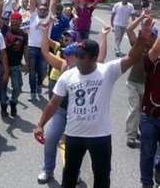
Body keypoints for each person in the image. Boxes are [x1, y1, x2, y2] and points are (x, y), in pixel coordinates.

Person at [34, 18, 151, 188]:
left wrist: (141, 40)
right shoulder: (68, 75)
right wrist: (40, 124)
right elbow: (53, 103)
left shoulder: (107, 71)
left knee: (102, 177)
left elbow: (132, 57)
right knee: (69, 175)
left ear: (94, 58)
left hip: (100, 136)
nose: (77, 59)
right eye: (76, 55)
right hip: (74, 135)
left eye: (82, 56)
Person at [37, 20, 111, 184]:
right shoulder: (63, 64)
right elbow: (45, 52)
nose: (66, 56)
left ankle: (74, 172)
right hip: (62, 111)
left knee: (76, 149)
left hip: (78, 114)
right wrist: (44, 31)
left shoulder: (91, 67)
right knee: (51, 138)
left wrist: (104, 36)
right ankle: (47, 170)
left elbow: (101, 57)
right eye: (68, 54)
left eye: (69, 54)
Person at [124, 11, 153, 149]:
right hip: (133, 82)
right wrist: (141, 17)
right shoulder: (137, 44)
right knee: (134, 107)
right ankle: (131, 135)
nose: (149, 37)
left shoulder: (155, 50)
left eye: (152, 35)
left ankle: (142, 132)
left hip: (148, 85)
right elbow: (129, 29)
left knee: (144, 111)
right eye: (147, 34)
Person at [139, 21, 160, 188]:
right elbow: (154, 50)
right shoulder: (152, 63)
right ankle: (146, 183)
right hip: (150, 117)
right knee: (147, 154)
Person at [0, 11, 28, 117]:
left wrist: (27, 64)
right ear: (11, 21)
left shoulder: (24, 34)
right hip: (3, 64)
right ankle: (3, 105)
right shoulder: (5, 29)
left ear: (20, 21)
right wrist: (1, 5)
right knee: (2, 87)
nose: (15, 23)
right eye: (13, 21)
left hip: (16, 65)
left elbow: (25, 49)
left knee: (17, 87)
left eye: (17, 21)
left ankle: (13, 102)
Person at [27, 0, 51, 102]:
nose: (42, 10)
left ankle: (39, 84)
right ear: (37, 10)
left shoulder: (49, 17)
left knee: (42, 71)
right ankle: (32, 92)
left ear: (47, 10)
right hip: (32, 48)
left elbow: (45, 2)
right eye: (40, 9)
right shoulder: (33, 16)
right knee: (32, 71)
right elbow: (33, 2)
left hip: (44, 49)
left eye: (44, 9)